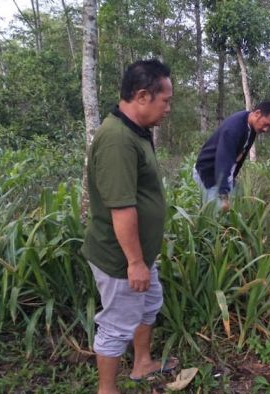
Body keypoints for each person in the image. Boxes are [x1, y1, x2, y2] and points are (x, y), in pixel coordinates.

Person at [82, 59, 177, 394]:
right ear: (142, 96)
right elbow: (121, 207)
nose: (168, 108)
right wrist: (135, 262)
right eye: (164, 100)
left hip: (139, 254)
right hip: (121, 258)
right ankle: (107, 390)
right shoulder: (117, 140)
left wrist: (143, 258)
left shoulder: (136, 132)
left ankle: (142, 364)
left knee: (150, 304)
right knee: (116, 324)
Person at [194, 101, 270, 210]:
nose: (266, 129)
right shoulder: (233, 128)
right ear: (257, 113)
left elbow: (239, 157)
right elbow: (223, 161)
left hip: (224, 176)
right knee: (216, 216)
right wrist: (223, 195)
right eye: (266, 124)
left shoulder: (251, 127)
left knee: (238, 207)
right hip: (210, 174)